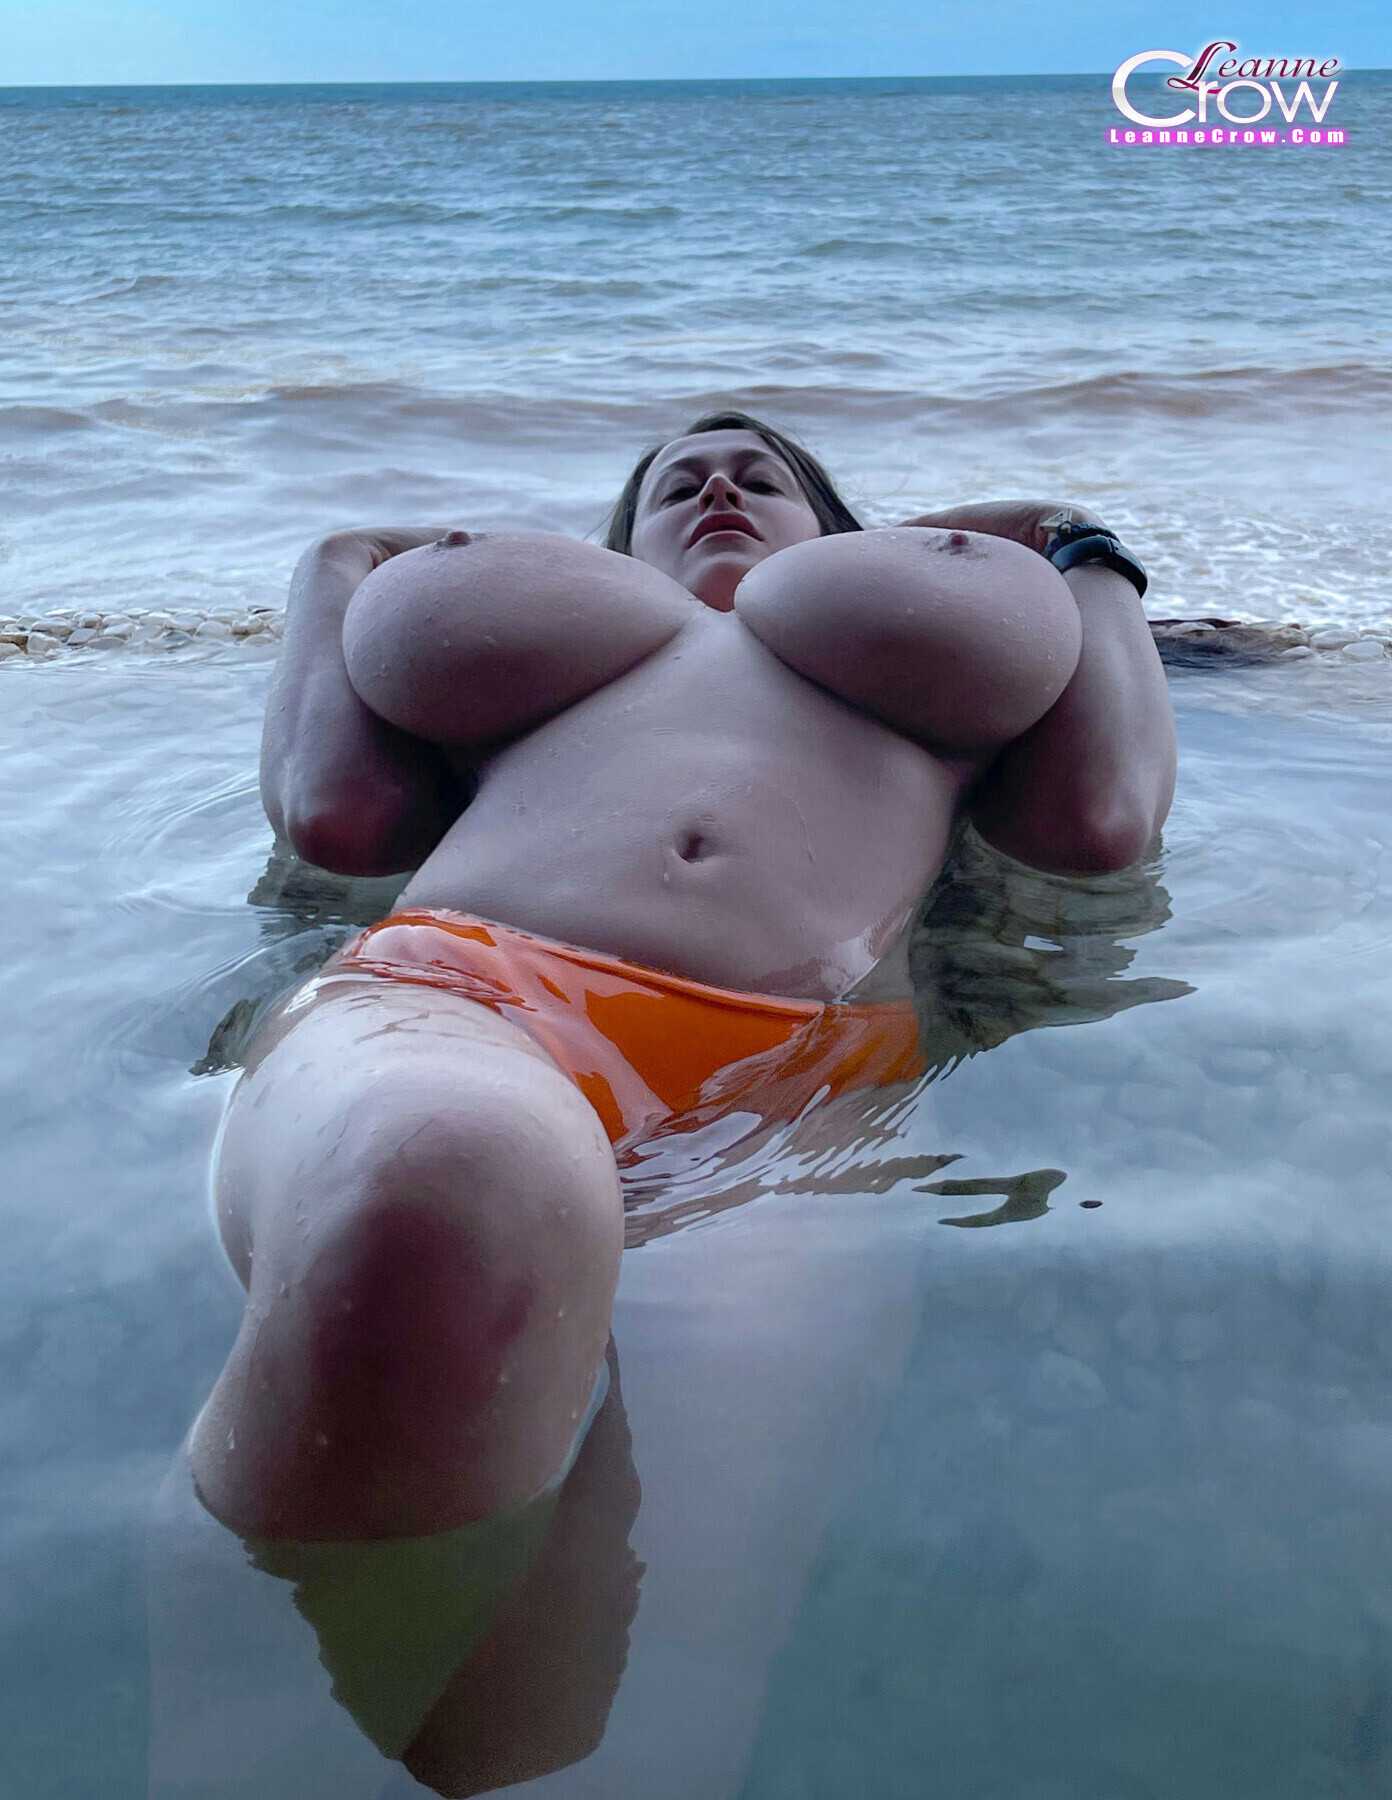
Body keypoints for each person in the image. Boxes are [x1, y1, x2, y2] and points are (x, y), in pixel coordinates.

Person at [191, 411, 1175, 1544]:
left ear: (841, 539)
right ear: (617, 556)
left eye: (760, 477)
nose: (717, 488)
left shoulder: (922, 672)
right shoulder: (552, 667)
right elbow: (334, 811)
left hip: (808, 1082)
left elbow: (1101, 817)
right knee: (449, 1182)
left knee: (676, 1577)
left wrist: (1076, 544)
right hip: (464, 994)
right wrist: (338, 559)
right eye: (676, 487)